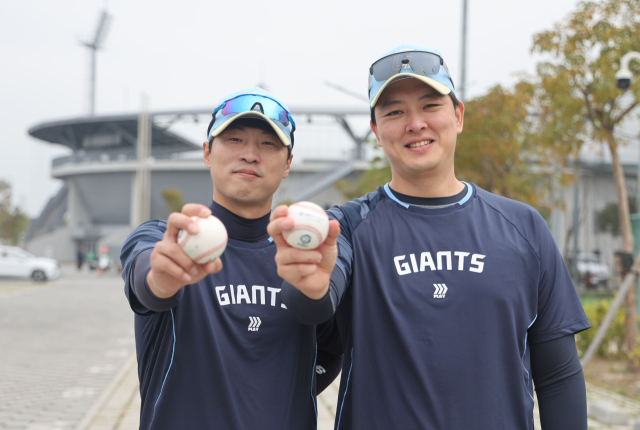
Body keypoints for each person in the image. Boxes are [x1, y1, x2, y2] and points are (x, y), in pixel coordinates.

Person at [268, 45, 591, 429]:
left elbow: (557, 375)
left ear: (457, 115)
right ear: (376, 129)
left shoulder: (524, 226)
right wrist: (308, 283)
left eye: (430, 106)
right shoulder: (348, 225)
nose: (415, 123)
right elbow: (313, 303)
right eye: (394, 112)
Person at [120, 87, 342, 430]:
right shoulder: (163, 240)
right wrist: (162, 277)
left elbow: (331, 350)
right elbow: (147, 279)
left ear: (288, 164)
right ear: (207, 153)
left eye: (268, 144)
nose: (250, 154)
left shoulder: (303, 260)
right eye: (235, 139)